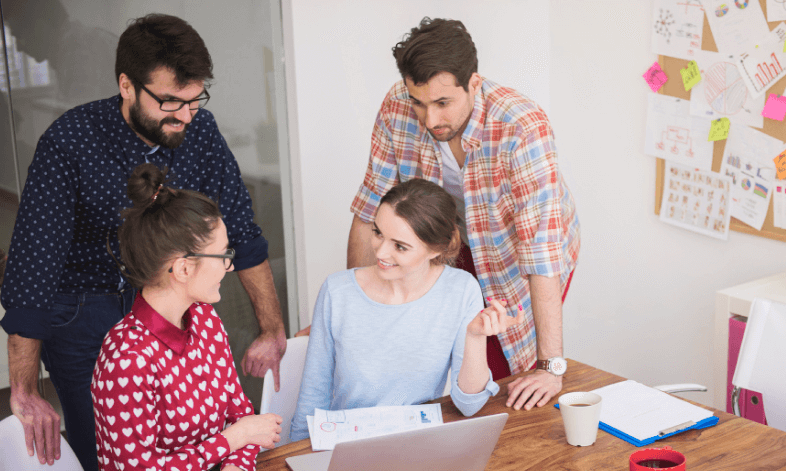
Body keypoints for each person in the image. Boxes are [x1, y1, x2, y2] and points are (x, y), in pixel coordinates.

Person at [0, 14, 286, 470]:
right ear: (127, 85)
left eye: (195, 100)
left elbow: (245, 237)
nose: (186, 115)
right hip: (84, 306)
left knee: (192, 424)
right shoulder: (70, 142)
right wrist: (25, 388)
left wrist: (271, 329)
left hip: (173, 300)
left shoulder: (202, 132)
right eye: (171, 101)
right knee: (104, 445)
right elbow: (33, 275)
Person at [346, 17, 580, 413]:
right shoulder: (396, 105)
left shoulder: (522, 127)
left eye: (442, 103)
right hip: (449, 243)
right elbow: (370, 208)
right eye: (419, 103)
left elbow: (541, 249)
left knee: (504, 378)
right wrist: (357, 312)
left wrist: (549, 366)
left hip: (517, 252)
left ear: (474, 83)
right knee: (433, 359)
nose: (430, 119)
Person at [290, 179, 524, 441]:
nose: (381, 252)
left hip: (418, 446)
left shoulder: (460, 290)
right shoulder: (337, 291)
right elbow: (313, 396)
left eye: (399, 246)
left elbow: (468, 405)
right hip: (346, 446)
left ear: (436, 249)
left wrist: (475, 337)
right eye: (378, 233)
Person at [91, 163, 282, 471]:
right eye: (223, 255)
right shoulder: (125, 360)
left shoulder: (206, 318)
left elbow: (241, 413)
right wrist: (232, 440)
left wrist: (236, 464)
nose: (229, 266)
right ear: (183, 269)